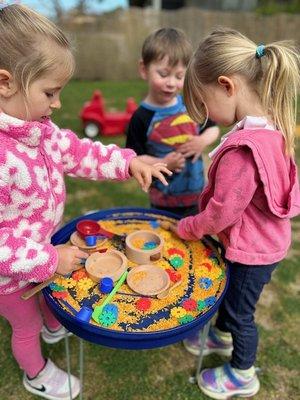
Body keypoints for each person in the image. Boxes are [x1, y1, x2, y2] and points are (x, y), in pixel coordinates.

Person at [0, 4, 171, 400]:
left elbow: (79, 152)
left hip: (39, 252)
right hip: (10, 274)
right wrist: (49, 260)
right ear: (5, 83)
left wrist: (129, 161)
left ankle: (50, 319)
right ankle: (37, 372)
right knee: (24, 326)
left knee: (44, 292)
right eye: (50, 92)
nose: (58, 104)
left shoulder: (37, 130)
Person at [172, 28, 300, 399]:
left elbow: (220, 215)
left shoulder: (244, 151)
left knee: (243, 312)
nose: (206, 116)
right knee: (233, 296)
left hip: (252, 252)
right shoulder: (271, 128)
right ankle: (219, 334)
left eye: (204, 104)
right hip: (263, 245)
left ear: (227, 86)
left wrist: (190, 227)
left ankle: (242, 373)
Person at [126, 28, 219, 218]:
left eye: (179, 76)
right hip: (163, 200)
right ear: (144, 69)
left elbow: (213, 128)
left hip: (196, 196)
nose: (171, 83)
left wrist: (201, 141)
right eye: (163, 74)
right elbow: (133, 159)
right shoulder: (141, 117)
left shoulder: (190, 104)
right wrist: (164, 162)